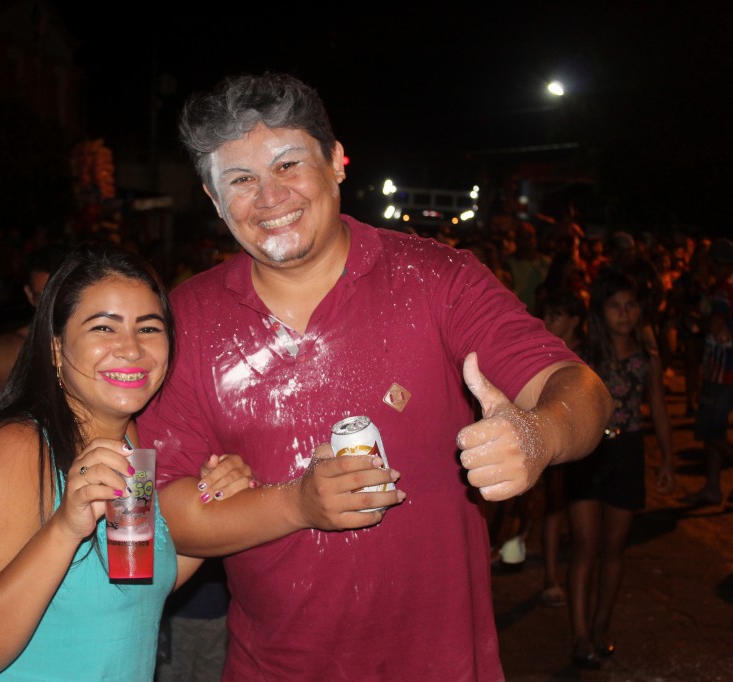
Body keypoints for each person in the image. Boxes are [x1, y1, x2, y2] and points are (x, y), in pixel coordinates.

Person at [137, 72, 613, 680]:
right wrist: (294, 504)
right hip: (274, 667)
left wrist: (539, 434)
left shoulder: (437, 278)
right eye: (241, 180)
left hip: (441, 666)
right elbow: (156, 510)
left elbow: (581, 389)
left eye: (288, 165)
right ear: (212, 198)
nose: (270, 197)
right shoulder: (187, 318)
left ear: (337, 162)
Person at [0, 243, 257, 682]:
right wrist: (65, 528)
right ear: (56, 348)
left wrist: (214, 498)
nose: (131, 349)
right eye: (104, 327)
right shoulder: (16, 448)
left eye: (149, 328)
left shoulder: (130, 441)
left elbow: (133, 589)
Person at [564, 266, 674, 669]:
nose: (625, 314)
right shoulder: (584, 355)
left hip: (628, 451)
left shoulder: (647, 359)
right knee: (584, 544)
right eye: (615, 306)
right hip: (588, 451)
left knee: (613, 548)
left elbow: (658, 407)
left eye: (631, 306)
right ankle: (579, 634)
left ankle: (601, 626)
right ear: (600, 311)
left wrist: (668, 458)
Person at [535, 289, 589, 608]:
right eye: (546, 314)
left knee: (582, 514)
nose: (547, 320)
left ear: (575, 320)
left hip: (586, 444)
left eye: (555, 315)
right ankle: (550, 575)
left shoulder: (590, 353)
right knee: (554, 504)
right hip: (555, 439)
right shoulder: (542, 351)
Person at [681, 237, 733, 506]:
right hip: (721, 369)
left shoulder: (724, 290)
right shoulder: (721, 288)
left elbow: (715, 326)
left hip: (722, 371)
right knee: (712, 433)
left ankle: (713, 487)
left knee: (712, 432)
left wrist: (697, 321)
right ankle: (712, 487)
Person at [0, 245, 63, 408]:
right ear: (29, 295)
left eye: (59, 297)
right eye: (42, 298)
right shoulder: (11, 347)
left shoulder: (101, 341)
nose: (50, 307)